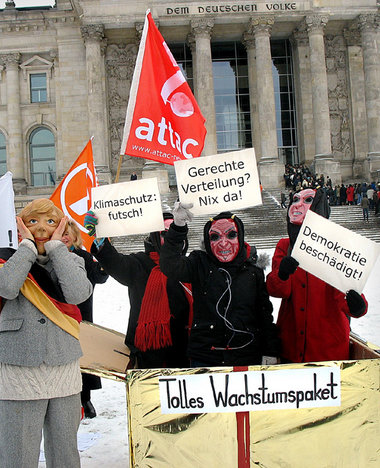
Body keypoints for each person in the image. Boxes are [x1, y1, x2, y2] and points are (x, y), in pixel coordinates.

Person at [0, 199, 92, 468]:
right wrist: (27, 248)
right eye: (33, 221)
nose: (41, 228)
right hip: (19, 370)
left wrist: (55, 247)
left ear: (61, 226)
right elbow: (6, 287)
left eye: (50, 222)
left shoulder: (70, 259)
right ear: (21, 226)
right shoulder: (7, 259)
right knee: (18, 455)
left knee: (65, 454)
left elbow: (78, 293)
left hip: (62, 365)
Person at [159, 204, 280, 368]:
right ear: (208, 242)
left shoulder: (253, 272)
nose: (223, 243)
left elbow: (265, 315)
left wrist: (270, 350)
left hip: (246, 356)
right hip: (205, 357)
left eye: (231, 235)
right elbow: (170, 265)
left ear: (241, 237)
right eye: (215, 237)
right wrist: (178, 227)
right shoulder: (198, 263)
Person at [266, 188, 368, 363]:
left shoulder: (338, 248)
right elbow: (277, 290)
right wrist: (282, 274)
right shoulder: (285, 246)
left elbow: (346, 294)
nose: (298, 204)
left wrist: (358, 306)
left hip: (328, 349)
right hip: (291, 346)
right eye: (295, 199)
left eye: (307, 200)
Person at [83, 211, 192, 369]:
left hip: (185, 353)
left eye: (173, 232)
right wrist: (100, 237)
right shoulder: (139, 264)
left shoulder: (189, 265)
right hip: (148, 356)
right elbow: (115, 263)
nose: (169, 238)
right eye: (163, 234)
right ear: (154, 237)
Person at [62, 220, 109, 419]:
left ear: (75, 236)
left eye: (68, 233)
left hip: (81, 316)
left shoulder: (83, 256)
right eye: (61, 232)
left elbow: (101, 277)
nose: (64, 236)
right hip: (58, 315)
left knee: (82, 360)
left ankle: (85, 399)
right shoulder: (46, 257)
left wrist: (104, 262)